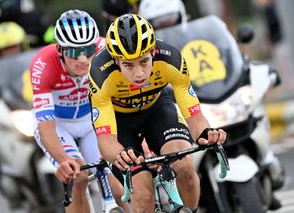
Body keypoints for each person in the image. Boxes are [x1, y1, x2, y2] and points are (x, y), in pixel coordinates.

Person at [138, 0, 284, 210]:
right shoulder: (151, 56)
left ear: (181, 15)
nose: (167, 26)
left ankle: (267, 160)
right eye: (159, 24)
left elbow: (228, 56)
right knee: (176, 166)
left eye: (170, 19)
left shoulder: (203, 35)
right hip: (185, 104)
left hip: (214, 95)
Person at [88, 13, 227, 212]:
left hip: (157, 109)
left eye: (144, 61)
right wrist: (120, 155)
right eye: (128, 64)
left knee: (185, 167)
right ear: (116, 61)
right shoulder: (100, 74)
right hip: (120, 123)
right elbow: (106, 139)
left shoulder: (172, 59)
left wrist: (206, 134)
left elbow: (195, 116)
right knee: (142, 192)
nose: (139, 73)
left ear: (153, 52)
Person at [29, 10, 127, 213]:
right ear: (60, 49)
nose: (83, 58)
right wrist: (64, 160)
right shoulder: (43, 64)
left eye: (88, 49)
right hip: (58, 125)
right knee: (78, 176)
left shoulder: (105, 50)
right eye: (74, 52)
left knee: (117, 187)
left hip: (91, 121)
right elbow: (46, 127)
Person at [0, 0, 53, 68]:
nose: (11, 52)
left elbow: (53, 42)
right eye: (5, 49)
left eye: (14, 47)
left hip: (35, 69)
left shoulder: (36, 20)